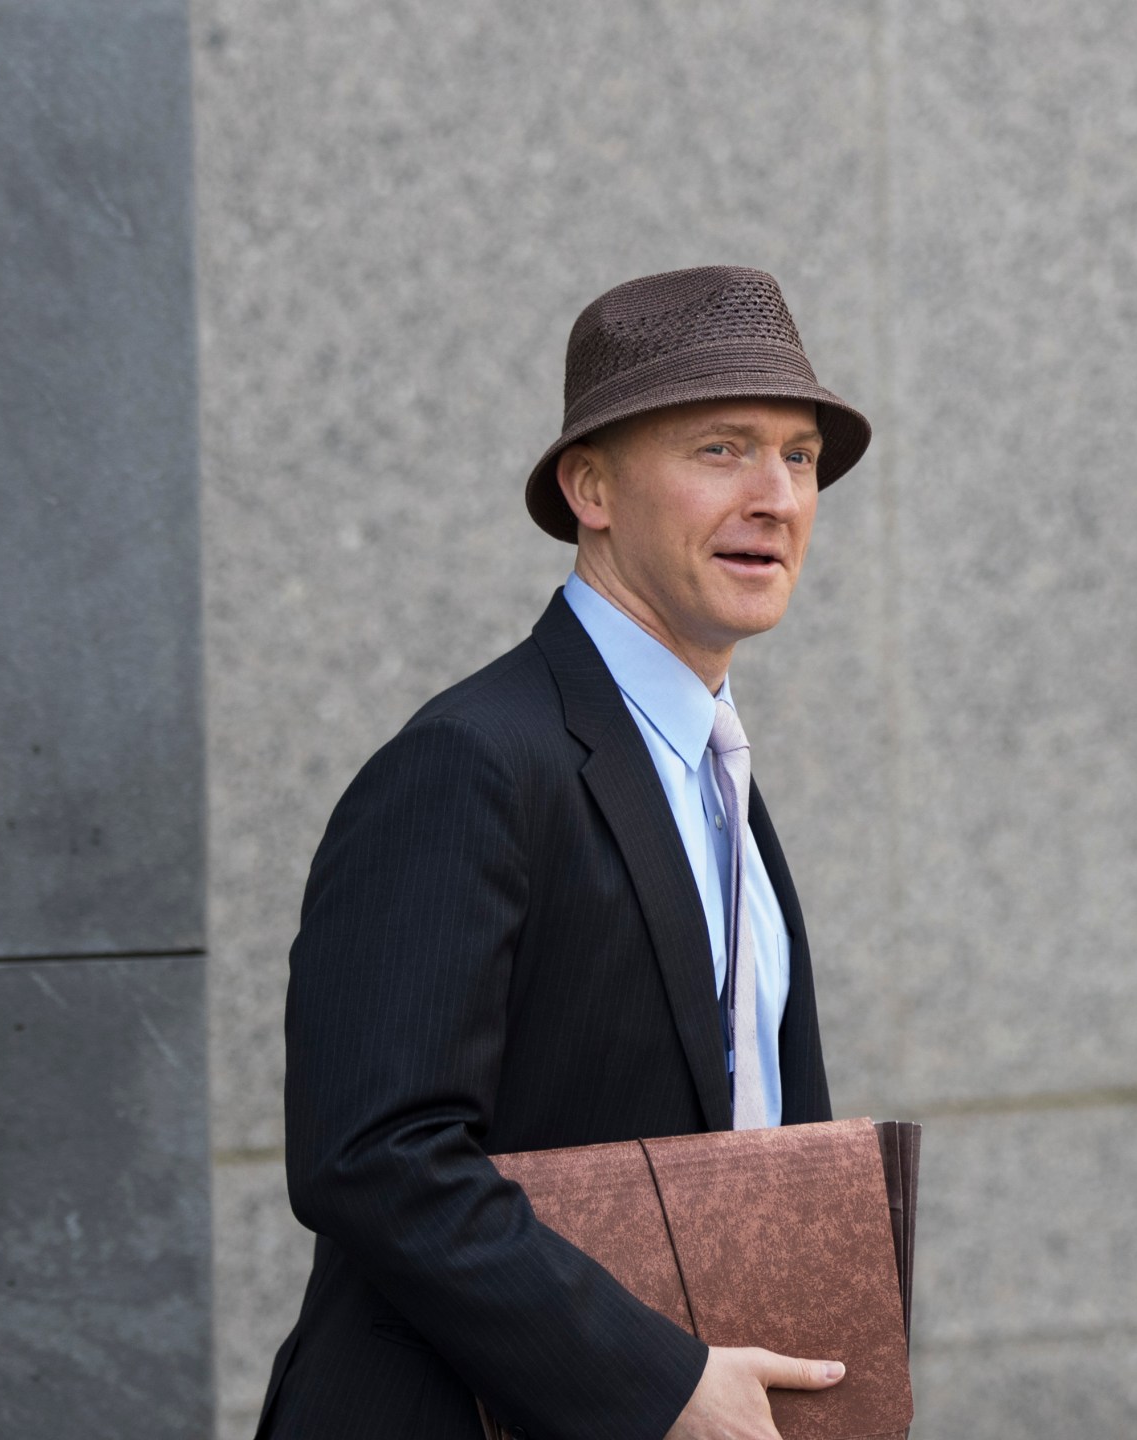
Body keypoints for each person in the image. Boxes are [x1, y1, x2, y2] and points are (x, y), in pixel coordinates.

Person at [257, 267, 873, 1440]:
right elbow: (373, 1157)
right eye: (720, 450)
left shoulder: (716, 771)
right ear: (588, 485)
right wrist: (658, 1383)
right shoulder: (468, 763)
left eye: (798, 457)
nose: (776, 496)